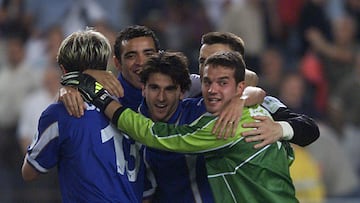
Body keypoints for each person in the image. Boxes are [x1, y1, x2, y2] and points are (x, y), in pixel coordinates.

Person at [66, 51, 298, 202]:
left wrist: (97, 94)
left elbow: (156, 135)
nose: (213, 89)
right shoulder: (255, 112)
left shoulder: (225, 126)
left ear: (239, 88)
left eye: (223, 83)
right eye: (208, 82)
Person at [21, 29, 147, 202]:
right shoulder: (131, 104)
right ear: (106, 64)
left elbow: (29, 172)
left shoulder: (61, 113)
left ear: (63, 70)